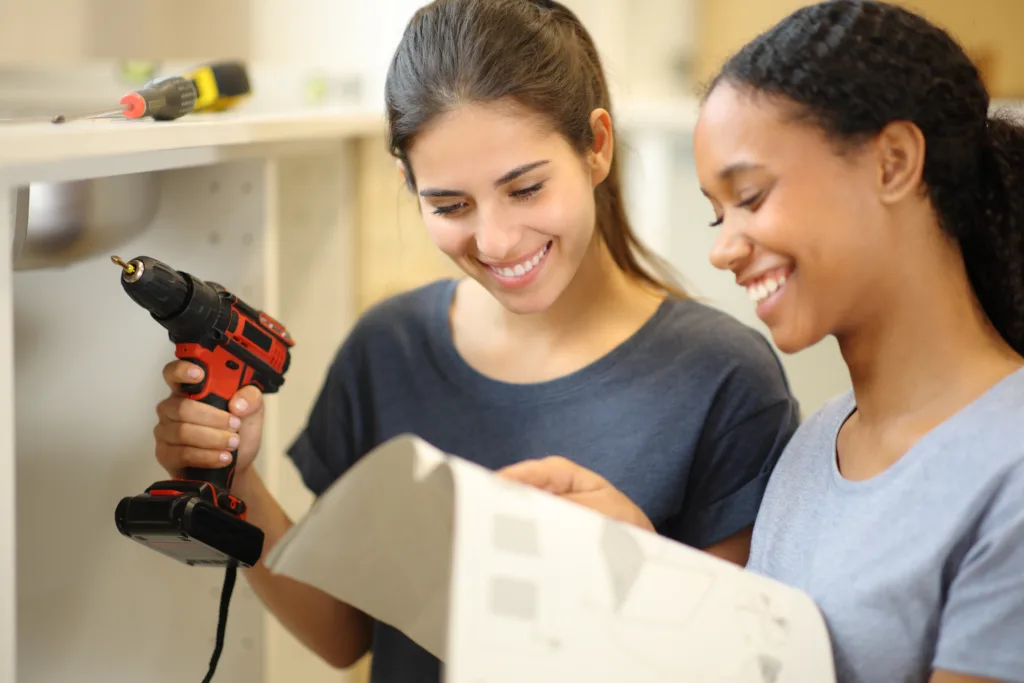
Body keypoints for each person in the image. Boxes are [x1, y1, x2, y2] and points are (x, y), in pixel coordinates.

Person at [150, 0, 800, 680]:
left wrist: (643, 569)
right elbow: (346, 633)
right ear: (408, 183)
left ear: (596, 144)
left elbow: (739, 665)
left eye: (525, 188)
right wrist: (234, 477)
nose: (494, 239)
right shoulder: (387, 348)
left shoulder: (724, 377)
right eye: (450, 205)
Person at [500, 2, 1024, 682]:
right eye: (717, 213)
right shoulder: (813, 450)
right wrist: (645, 564)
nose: (722, 249)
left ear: (893, 162)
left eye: (751, 196)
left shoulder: (1008, 470)